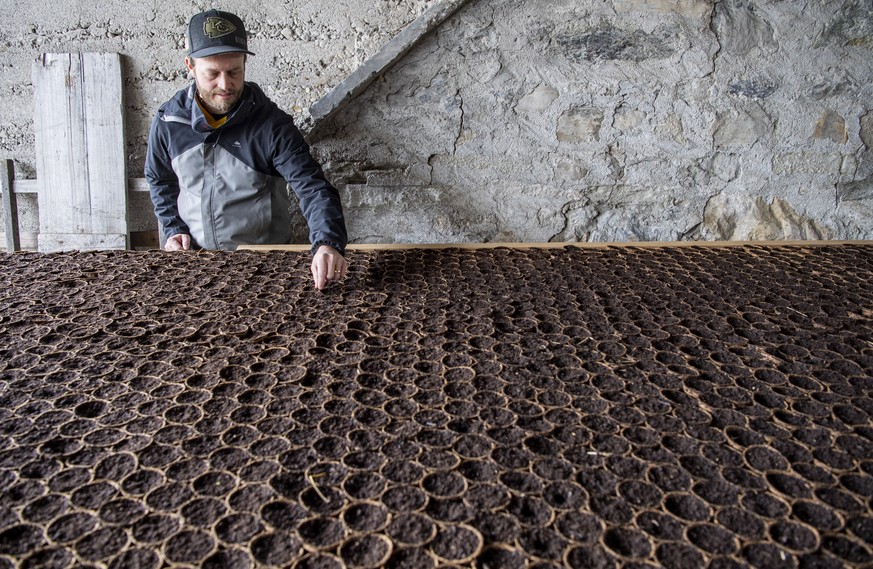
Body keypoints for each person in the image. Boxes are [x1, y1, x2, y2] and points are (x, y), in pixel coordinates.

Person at [145, 9, 348, 290]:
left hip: (265, 268)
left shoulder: (271, 125)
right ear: (190, 65)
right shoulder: (169, 121)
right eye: (212, 74)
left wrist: (327, 242)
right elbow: (160, 179)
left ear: (245, 65)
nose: (225, 84)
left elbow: (312, 186)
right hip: (196, 264)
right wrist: (172, 228)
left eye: (234, 72)